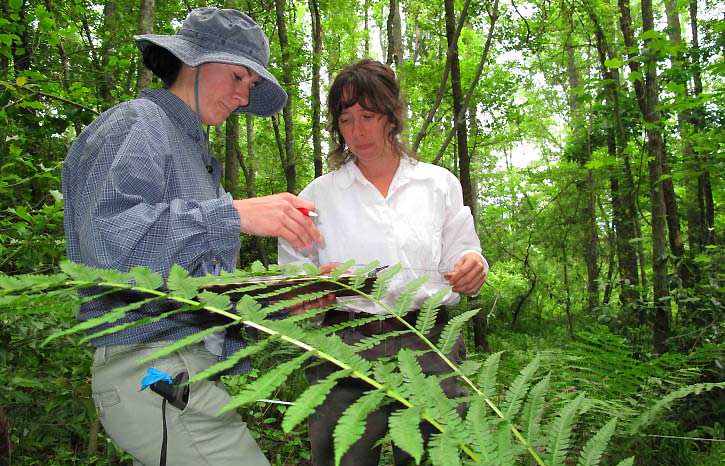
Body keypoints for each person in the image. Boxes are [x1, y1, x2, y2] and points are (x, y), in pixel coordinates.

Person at [62, 8, 321, 466]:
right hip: (151, 368)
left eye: (251, 87)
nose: (243, 97)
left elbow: (188, 284)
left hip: (180, 372)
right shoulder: (139, 122)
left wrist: (281, 298)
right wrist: (233, 215)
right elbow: (106, 244)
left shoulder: (195, 153)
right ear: (195, 61)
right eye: (238, 77)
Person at [278, 59, 489, 466]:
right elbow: (292, 275)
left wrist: (471, 265)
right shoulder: (319, 195)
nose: (357, 131)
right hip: (345, 344)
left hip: (431, 341)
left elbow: (464, 252)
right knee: (343, 457)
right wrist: (310, 287)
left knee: (437, 456)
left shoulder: (437, 183)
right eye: (346, 119)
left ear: (392, 116)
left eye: (369, 116)